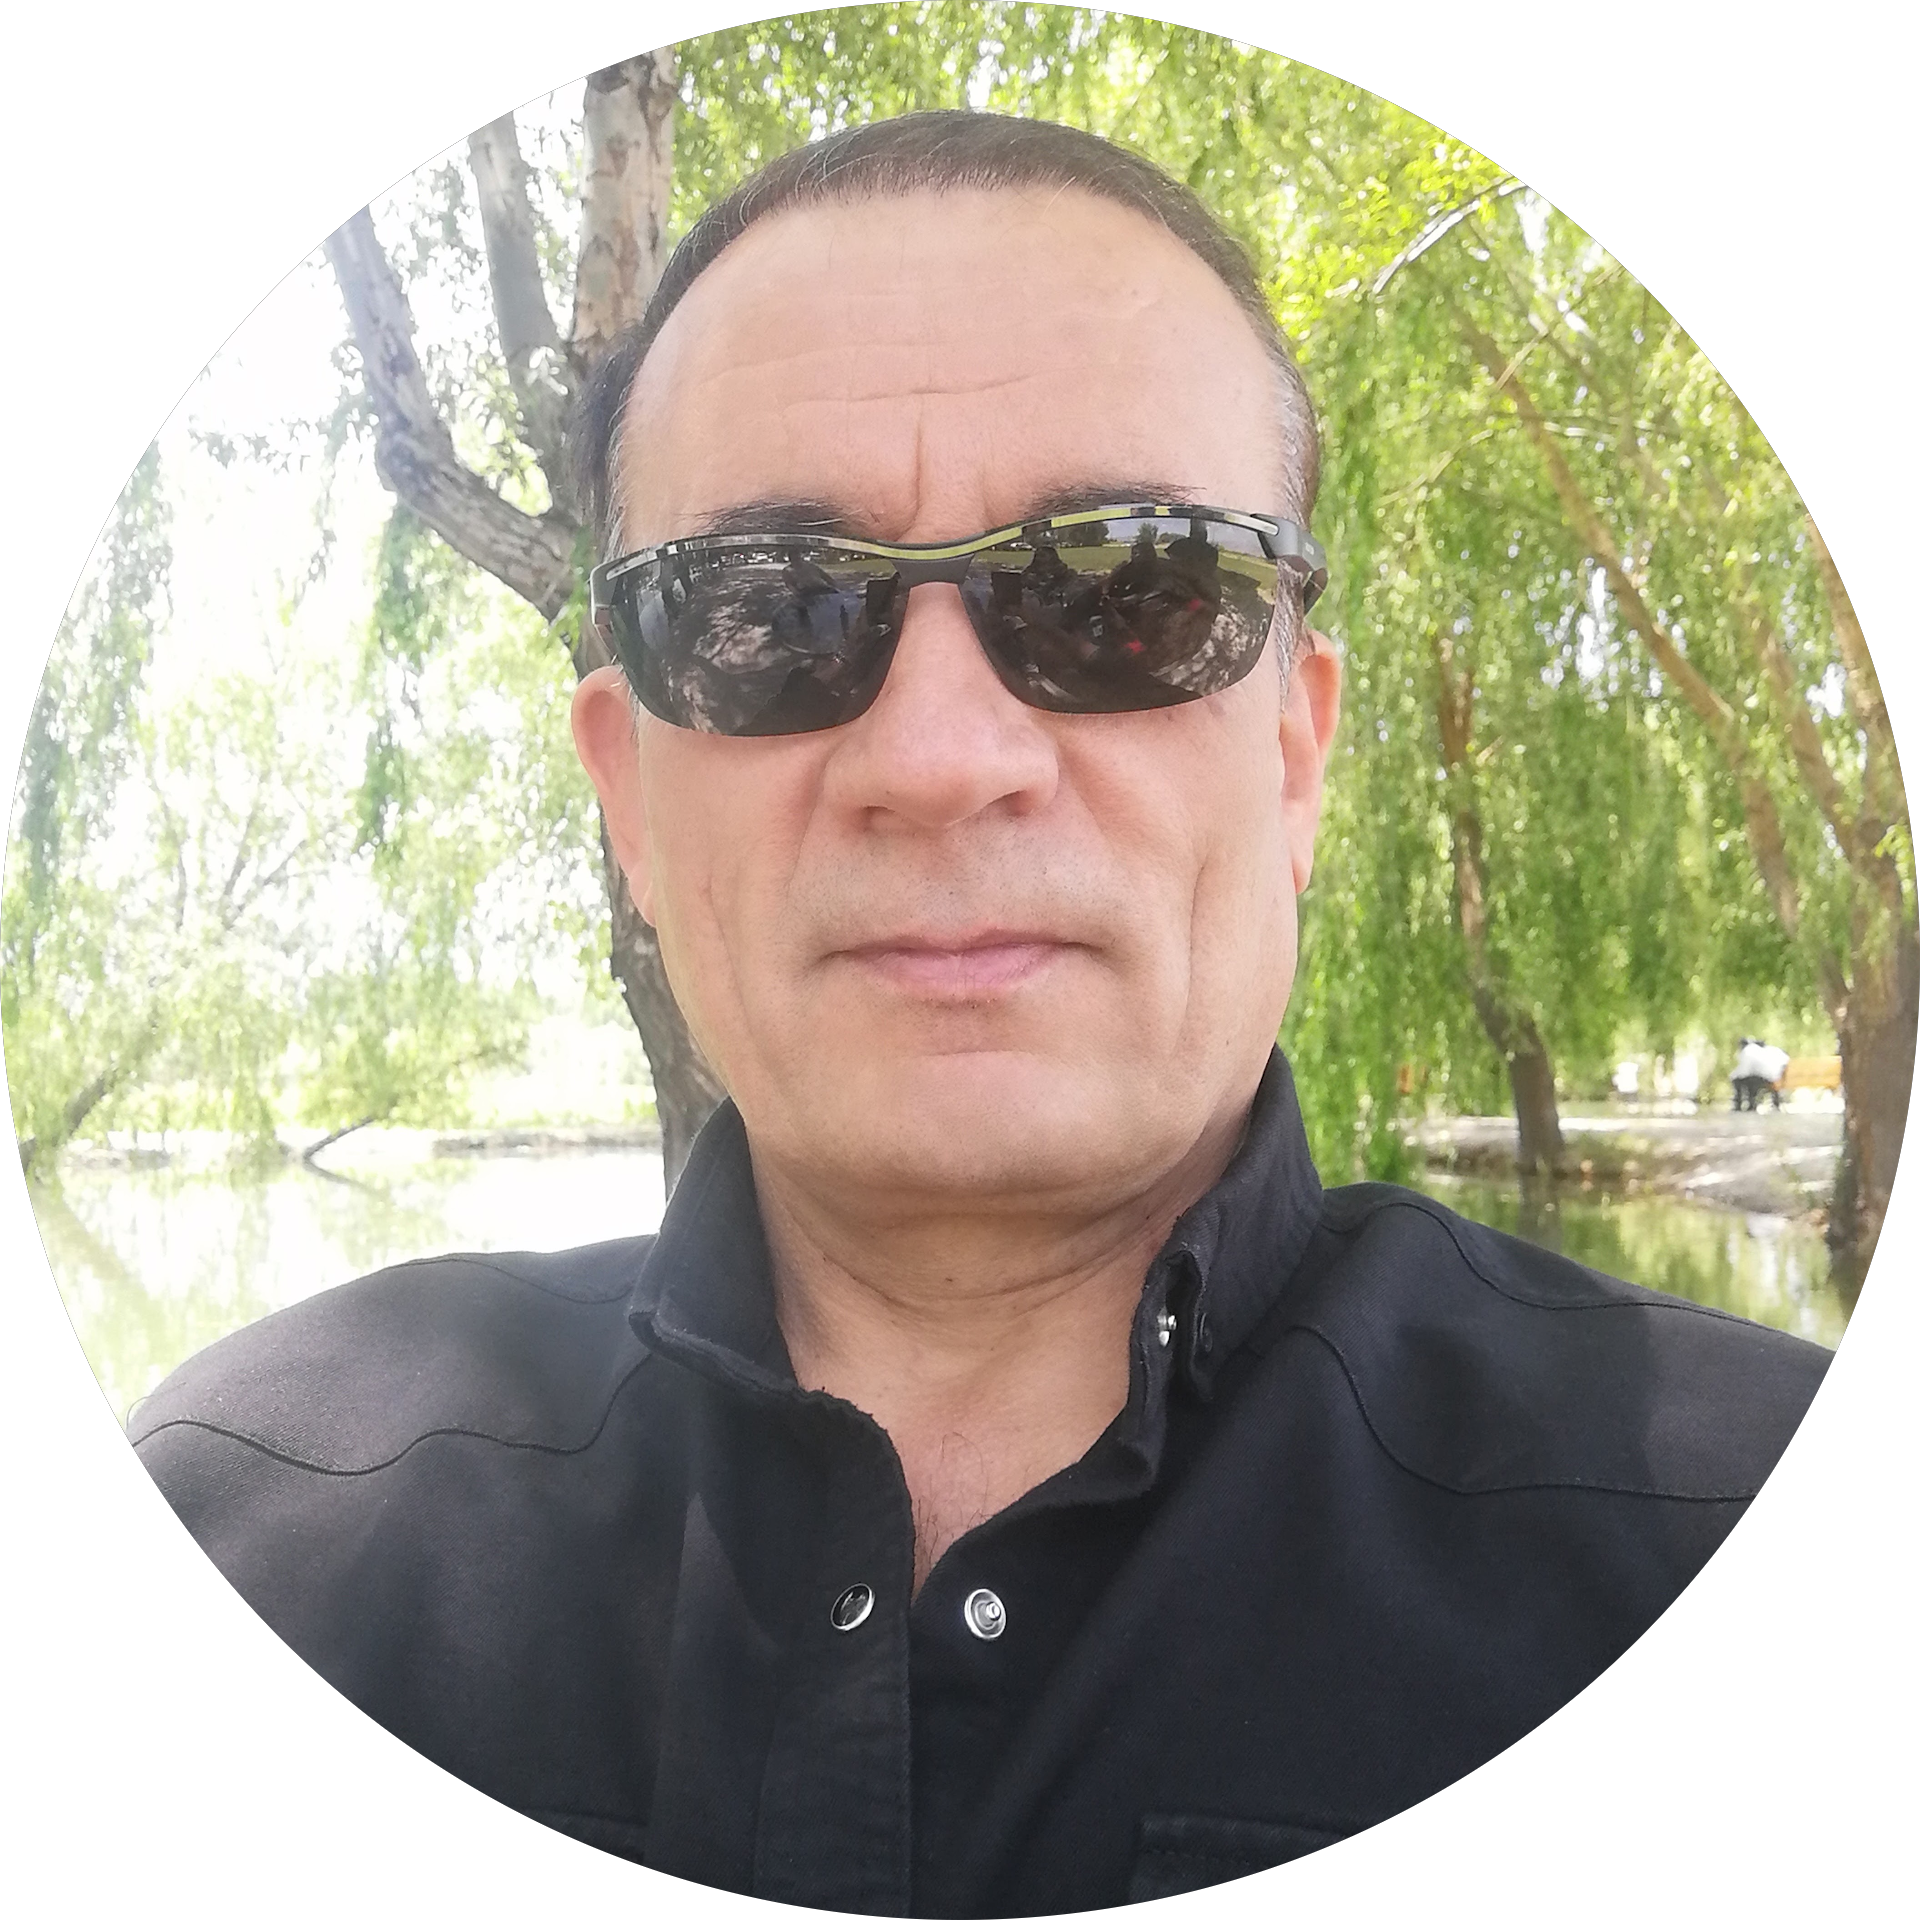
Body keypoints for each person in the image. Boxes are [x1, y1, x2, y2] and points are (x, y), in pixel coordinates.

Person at [131, 112, 1827, 1907]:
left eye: (1130, 595)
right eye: (769, 613)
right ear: (627, 797)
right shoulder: (264, 1522)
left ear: (1295, 753)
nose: (941, 761)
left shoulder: (1699, 1508)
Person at [1732, 1036, 1789, 1111]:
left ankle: (1740, 1104)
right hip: (1775, 1078)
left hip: (1761, 1078)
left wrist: (1734, 1076)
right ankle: (1756, 1103)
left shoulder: (1748, 1050)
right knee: (1752, 1079)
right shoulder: (1772, 1050)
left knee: (1742, 1080)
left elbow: (1744, 1070)